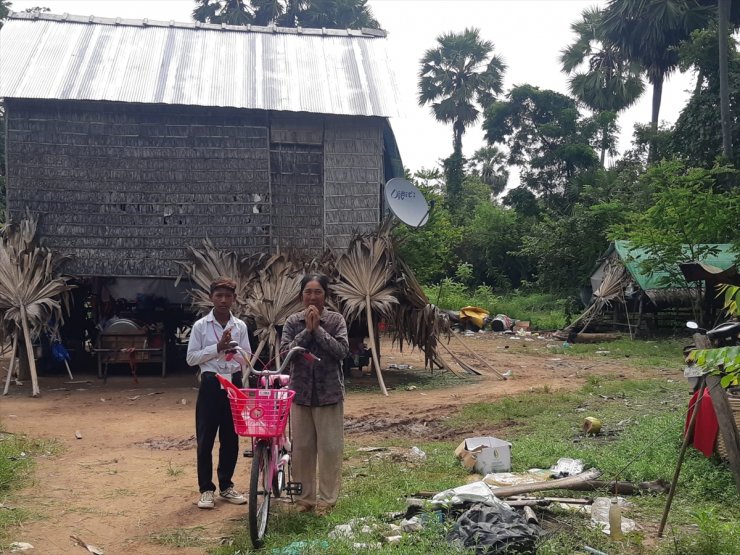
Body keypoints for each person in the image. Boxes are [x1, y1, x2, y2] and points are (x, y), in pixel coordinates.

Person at [280, 274, 349, 515]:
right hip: (300, 395)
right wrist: (306, 332)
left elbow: (341, 351)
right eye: (308, 292)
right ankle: (304, 500)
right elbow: (285, 353)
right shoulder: (292, 322)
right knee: (302, 450)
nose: (312, 296)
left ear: (325, 295)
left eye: (317, 291)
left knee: (330, 450)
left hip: (329, 394)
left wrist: (318, 329)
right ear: (301, 296)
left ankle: (327, 500)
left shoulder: (336, 320)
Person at [186, 277, 251, 509]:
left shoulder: (240, 326)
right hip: (211, 383)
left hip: (233, 384)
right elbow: (191, 358)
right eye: (219, 295)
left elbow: (247, 358)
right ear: (211, 297)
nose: (223, 300)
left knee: (231, 438)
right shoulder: (201, 326)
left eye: (228, 296)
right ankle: (206, 489)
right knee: (205, 438)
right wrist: (217, 348)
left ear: (234, 299)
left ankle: (226, 486)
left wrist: (235, 351)